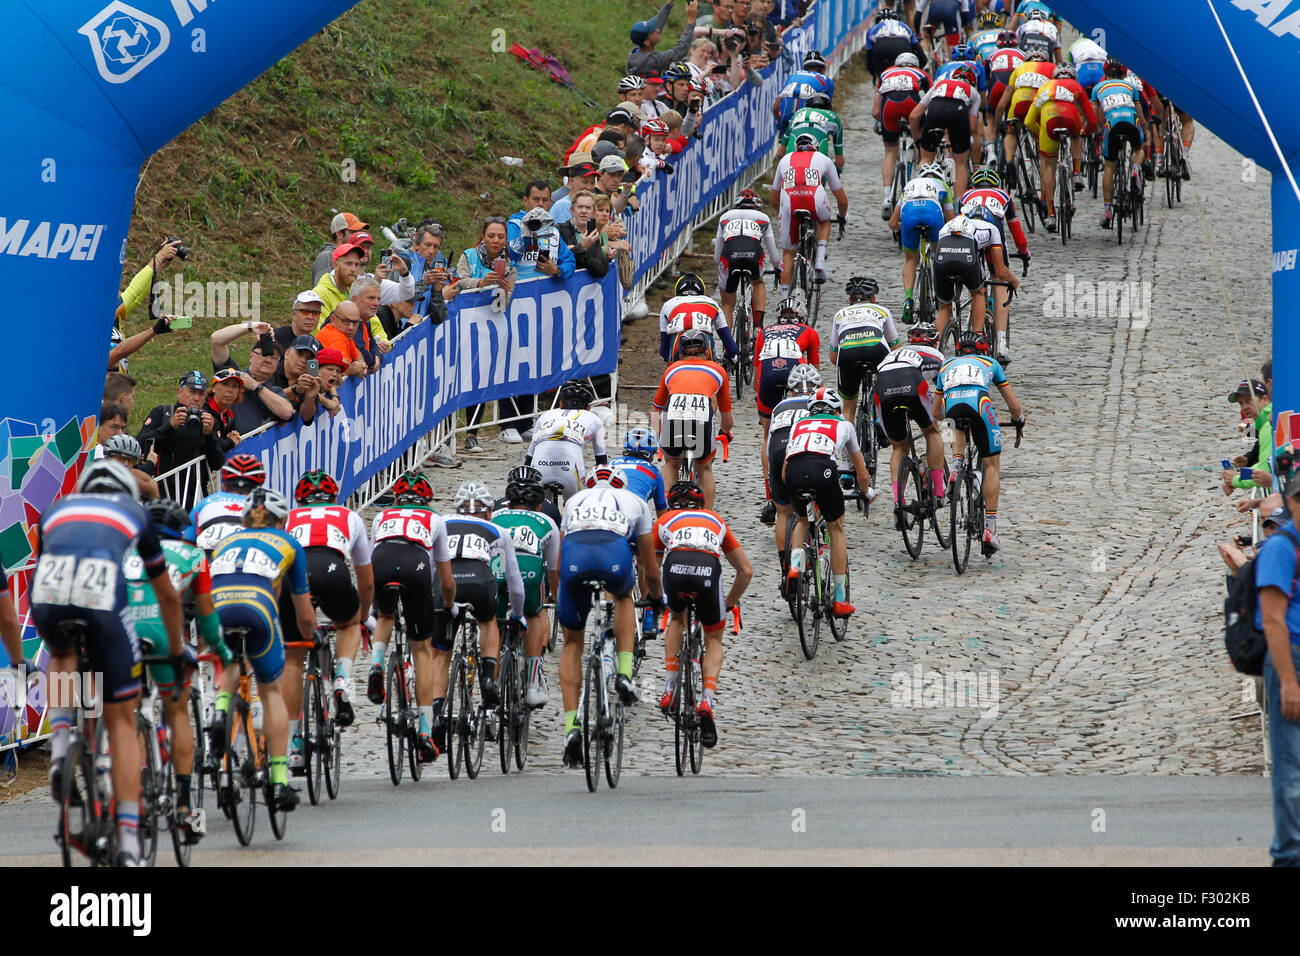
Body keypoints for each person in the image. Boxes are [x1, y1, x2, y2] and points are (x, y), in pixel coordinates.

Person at [33, 460, 186, 866]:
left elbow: (47, 559)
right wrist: (175, 649)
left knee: (63, 653)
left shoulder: (57, 509)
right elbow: (168, 596)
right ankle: (131, 842)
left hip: (49, 593)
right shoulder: (135, 512)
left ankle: (62, 741)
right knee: (121, 718)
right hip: (101, 599)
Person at [126, 498, 232, 845]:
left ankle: (131, 789)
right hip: (162, 632)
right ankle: (185, 806)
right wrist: (220, 650)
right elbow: (207, 618)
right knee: (177, 711)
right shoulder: (193, 555)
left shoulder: (126, 552)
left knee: (124, 714)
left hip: (122, 633)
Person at [209, 487, 315, 812]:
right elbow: (304, 614)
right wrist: (311, 637)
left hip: (218, 608)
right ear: (281, 520)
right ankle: (279, 781)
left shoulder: (223, 543)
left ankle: (220, 710)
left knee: (229, 662)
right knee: (271, 692)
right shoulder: (289, 543)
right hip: (257, 609)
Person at [555, 465, 661, 767]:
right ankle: (625, 674)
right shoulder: (635, 502)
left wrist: (558, 594)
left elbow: (561, 558)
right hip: (613, 553)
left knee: (572, 644)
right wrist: (657, 597)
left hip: (575, 557)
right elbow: (649, 566)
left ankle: (571, 728)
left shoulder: (575, 501)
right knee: (625, 596)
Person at [653, 480, 752, 748]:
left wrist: (653, 598)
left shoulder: (664, 520)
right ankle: (707, 700)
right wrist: (729, 603)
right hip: (708, 570)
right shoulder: (715, 519)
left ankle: (670, 685)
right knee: (714, 640)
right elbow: (745, 571)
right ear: (702, 504)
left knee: (676, 618)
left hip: (674, 568)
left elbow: (652, 565)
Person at [365, 470, 456, 762]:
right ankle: (425, 731)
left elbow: (368, 558)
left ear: (396, 498)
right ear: (426, 500)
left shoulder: (382, 517)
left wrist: (369, 605)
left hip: (381, 561)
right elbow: (445, 579)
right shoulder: (434, 519)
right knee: (421, 650)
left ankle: (376, 664)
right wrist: (450, 604)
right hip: (415, 566)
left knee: (385, 618)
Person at [282, 470, 374, 745]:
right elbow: (366, 580)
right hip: (332, 571)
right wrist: (362, 616)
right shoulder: (349, 516)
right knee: (348, 624)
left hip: (293, 576)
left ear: (299, 500)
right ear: (335, 497)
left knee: (292, 659)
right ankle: (342, 680)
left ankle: (295, 740)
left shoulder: (286, 517)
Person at [782, 388, 872, 617]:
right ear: (838, 410)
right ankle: (840, 598)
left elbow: (784, 473)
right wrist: (866, 492)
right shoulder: (844, 425)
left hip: (794, 471)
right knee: (836, 527)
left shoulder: (798, 424)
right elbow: (861, 473)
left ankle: (794, 568)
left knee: (802, 521)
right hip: (823, 469)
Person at [936, 331, 1026, 553]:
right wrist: (1018, 421)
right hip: (979, 402)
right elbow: (1013, 405)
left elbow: (935, 412)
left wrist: (945, 428)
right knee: (991, 464)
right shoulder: (990, 362)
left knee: (951, 423)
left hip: (951, 405)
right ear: (983, 350)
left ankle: (956, 464)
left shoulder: (946, 366)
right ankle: (990, 530)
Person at [443, 482, 526, 714]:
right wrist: (518, 616)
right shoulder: (498, 531)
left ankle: (438, 710)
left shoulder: (440, 523)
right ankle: (488, 678)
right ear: (489, 513)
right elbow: (515, 583)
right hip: (479, 580)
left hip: (448, 581)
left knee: (441, 650)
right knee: (488, 622)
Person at [1254, 474, 1300, 865]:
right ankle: (1289, 857)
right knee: (1292, 769)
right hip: (1293, 657)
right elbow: (1272, 620)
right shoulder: (1282, 548)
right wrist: (1288, 681)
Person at [491, 469, 562, 709]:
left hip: (497, 572)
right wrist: (557, 597)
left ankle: (490, 697)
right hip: (529, 574)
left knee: (494, 626)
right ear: (540, 505)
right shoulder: (548, 522)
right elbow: (553, 569)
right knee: (535, 614)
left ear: (507, 502)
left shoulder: (494, 517)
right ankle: (532, 685)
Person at [875, 324, 947, 531]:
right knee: (932, 432)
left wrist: (879, 423)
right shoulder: (935, 354)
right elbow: (944, 389)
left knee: (899, 447)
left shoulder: (894, 353)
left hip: (883, 388)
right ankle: (940, 492)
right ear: (934, 341)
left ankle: (899, 502)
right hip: (912, 383)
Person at [652, 329, 734, 508]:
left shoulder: (672, 369)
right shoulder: (718, 370)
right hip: (701, 414)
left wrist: (658, 433)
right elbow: (727, 416)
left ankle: (665, 511)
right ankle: (707, 516)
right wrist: (725, 432)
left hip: (673, 411)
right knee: (704, 468)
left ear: (680, 353)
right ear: (707, 350)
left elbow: (657, 406)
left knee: (671, 463)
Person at [754, 297, 820, 511]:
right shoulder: (809, 331)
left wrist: (763, 402)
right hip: (795, 368)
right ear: (802, 318)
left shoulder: (764, 332)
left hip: (768, 375)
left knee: (768, 435)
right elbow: (814, 376)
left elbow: (756, 377)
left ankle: (769, 495)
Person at [959, 166, 1030, 362]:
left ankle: (975, 334)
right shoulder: (1003, 195)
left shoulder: (965, 197)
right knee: (1000, 280)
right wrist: (1024, 252)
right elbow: (1017, 233)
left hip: (969, 237)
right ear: (996, 185)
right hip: (992, 232)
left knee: (976, 286)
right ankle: (1002, 343)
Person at [137, 371, 234, 503]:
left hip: (195, 497)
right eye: (192, 392)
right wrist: (170, 427)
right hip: (161, 495)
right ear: (180, 392)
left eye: (201, 394)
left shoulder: (208, 421)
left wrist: (209, 434)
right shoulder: (163, 413)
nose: (196, 398)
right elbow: (139, 443)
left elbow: (217, 462)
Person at [1024, 63, 1098, 231]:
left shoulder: (1044, 87)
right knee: (1076, 135)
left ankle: (1050, 214)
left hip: (1049, 122)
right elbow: (1092, 120)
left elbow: (1028, 121)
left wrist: (1041, 132)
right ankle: (1077, 172)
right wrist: (1085, 132)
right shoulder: (1075, 86)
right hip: (1070, 119)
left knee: (1048, 166)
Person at [770, 133, 848, 287]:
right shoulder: (823, 159)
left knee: (788, 253)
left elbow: (773, 199)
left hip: (789, 202)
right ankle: (819, 260)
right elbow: (841, 197)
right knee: (824, 220)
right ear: (816, 148)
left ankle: (786, 299)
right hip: (815, 199)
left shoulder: (785, 160)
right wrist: (842, 216)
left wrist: (783, 214)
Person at [932, 209, 1019, 341]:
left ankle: (936, 347)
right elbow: (1000, 270)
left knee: (945, 307)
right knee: (978, 293)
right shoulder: (992, 228)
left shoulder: (950, 224)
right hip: (967, 257)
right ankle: (976, 338)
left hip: (942, 258)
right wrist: (1013, 280)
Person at [889, 162, 957, 325]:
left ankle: (908, 300)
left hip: (909, 214)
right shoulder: (942, 186)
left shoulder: (909, 185)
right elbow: (951, 220)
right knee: (940, 257)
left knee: (911, 260)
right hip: (932, 213)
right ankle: (942, 299)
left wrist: (903, 226)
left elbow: (892, 223)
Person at [830, 276, 900, 434]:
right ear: (874, 298)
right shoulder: (882, 310)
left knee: (847, 405)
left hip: (848, 353)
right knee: (887, 380)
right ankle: (880, 418)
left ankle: (847, 450)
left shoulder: (840, 314)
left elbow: (834, 357)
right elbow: (896, 347)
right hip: (877, 350)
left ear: (849, 299)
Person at [523, 380, 609, 499]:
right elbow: (601, 458)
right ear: (588, 407)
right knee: (575, 507)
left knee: (542, 508)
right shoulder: (595, 419)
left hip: (540, 464)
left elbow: (530, 455)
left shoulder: (546, 415)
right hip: (571, 466)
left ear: (561, 404)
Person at [910, 61, 982, 199]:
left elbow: (914, 116)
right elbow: (972, 127)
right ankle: (957, 205)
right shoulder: (974, 93)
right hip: (959, 113)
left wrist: (917, 140)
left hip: (936, 110)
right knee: (960, 163)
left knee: (926, 159)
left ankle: (920, 195)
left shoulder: (939, 84)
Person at [209, 320, 295, 432]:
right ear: (251, 356)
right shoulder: (233, 374)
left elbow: (286, 412)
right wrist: (250, 327)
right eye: (263, 354)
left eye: (274, 358)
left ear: (278, 363)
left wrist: (256, 387)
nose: (268, 360)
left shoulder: (275, 391)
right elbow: (216, 340)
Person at [873, 52, 931, 220]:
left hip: (888, 107)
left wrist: (883, 123)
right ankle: (921, 185)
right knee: (922, 146)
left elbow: (876, 111)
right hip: (910, 104)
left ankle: (886, 196)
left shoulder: (885, 73)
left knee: (890, 152)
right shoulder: (921, 74)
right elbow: (930, 101)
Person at [1092, 59, 1149, 230]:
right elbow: (1140, 112)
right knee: (1138, 148)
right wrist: (1145, 128)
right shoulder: (1130, 87)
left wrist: (1096, 131)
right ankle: (1135, 169)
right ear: (1123, 74)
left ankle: (1108, 209)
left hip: (1113, 123)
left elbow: (1096, 117)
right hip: (1131, 120)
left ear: (1105, 74)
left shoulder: (1098, 88)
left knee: (1110, 165)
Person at [714, 188, 780, 332]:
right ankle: (758, 326)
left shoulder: (724, 217)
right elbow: (774, 255)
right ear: (757, 206)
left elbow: (716, 257)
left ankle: (727, 347)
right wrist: (777, 268)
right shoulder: (763, 217)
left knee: (727, 304)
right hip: (753, 253)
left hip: (729, 255)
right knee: (758, 282)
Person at [187, 453, 265, 552]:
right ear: (258, 486)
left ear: (224, 485)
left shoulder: (204, 504)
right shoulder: (263, 506)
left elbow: (187, 544)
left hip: (207, 561)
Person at [659, 273, 738, 364]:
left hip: (678, 347)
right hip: (704, 346)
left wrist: (666, 358)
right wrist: (730, 356)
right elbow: (728, 340)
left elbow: (664, 350)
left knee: (670, 374)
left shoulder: (667, 305)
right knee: (716, 375)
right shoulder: (712, 303)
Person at [1223, 380, 1274, 498]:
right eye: (1241, 403)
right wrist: (1247, 460)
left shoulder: (1269, 425)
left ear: (1265, 399)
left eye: (1249, 401)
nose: (1244, 407)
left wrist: (1235, 479)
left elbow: (1264, 469)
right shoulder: (1262, 424)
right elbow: (1260, 453)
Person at [627, 1, 700, 77]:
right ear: (647, 42)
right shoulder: (654, 61)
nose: (657, 30)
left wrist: (669, 3)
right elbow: (681, 50)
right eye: (653, 31)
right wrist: (691, 21)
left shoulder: (636, 51)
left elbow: (659, 23)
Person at [611, 427, 669, 516]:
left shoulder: (611, 463)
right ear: (651, 457)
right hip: (634, 509)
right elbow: (662, 514)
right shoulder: (655, 473)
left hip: (606, 505)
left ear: (624, 452)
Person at [508, 206, 575, 283]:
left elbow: (569, 262)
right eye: (536, 199)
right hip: (521, 290)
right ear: (526, 200)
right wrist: (525, 236)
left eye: (545, 200)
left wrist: (557, 270)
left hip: (548, 291)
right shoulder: (515, 226)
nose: (540, 204)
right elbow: (508, 259)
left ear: (550, 202)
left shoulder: (554, 231)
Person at [558, 192, 612, 278]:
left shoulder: (592, 234)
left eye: (588, 208)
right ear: (572, 210)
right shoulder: (559, 230)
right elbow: (560, 263)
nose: (584, 211)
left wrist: (579, 250)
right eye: (580, 207)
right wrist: (582, 247)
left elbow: (602, 270)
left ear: (594, 212)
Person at [316, 301, 376, 377]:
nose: (351, 327)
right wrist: (356, 369)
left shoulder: (345, 334)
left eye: (355, 322)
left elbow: (358, 357)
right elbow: (340, 372)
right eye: (345, 321)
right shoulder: (335, 337)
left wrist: (360, 366)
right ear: (333, 319)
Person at [864, 8, 926, 82]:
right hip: (903, 46)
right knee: (908, 75)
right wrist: (919, 67)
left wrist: (874, 73)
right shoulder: (905, 26)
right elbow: (918, 49)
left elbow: (869, 55)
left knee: (881, 77)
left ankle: (880, 88)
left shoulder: (872, 29)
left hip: (882, 48)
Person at [311, 211, 367, 286]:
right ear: (339, 234)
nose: (358, 236)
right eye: (354, 232)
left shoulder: (355, 256)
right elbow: (320, 292)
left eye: (360, 232)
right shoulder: (327, 257)